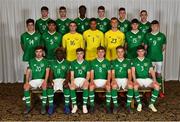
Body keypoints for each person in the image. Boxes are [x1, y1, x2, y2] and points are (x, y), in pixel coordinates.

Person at [132, 45, 160, 112]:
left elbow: (152, 71)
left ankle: (151, 104)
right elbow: (133, 71)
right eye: (139, 51)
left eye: (142, 51)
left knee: (157, 86)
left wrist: (155, 80)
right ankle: (139, 103)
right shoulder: (134, 60)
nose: (140, 53)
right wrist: (135, 80)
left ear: (144, 51)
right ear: (137, 52)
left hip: (147, 79)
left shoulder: (148, 60)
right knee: (135, 86)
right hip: (138, 79)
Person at [23, 46, 49, 115]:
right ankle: (28, 106)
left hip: (42, 79)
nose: (38, 53)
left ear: (42, 52)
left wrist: (45, 81)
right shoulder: (31, 61)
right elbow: (28, 72)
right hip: (34, 80)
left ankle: (43, 106)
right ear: (35, 52)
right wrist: (26, 82)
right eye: (37, 52)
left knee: (44, 87)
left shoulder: (46, 61)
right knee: (26, 87)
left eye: (40, 52)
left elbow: (47, 72)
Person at [144, 20, 166, 98]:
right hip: (149, 58)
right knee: (150, 74)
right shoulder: (147, 35)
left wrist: (157, 53)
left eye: (156, 26)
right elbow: (145, 48)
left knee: (158, 74)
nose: (154, 27)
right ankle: (149, 90)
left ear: (158, 26)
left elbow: (163, 47)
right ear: (151, 26)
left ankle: (159, 90)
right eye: (153, 26)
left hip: (159, 58)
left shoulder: (162, 35)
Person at [111, 46, 133, 113]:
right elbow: (113, 73)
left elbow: (129, 73)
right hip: (117, 78)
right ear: (116, 53)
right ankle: (115, 105)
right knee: (114, 86)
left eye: (121, 52)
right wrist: (114, 80)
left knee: (130, 86)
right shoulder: (113, 62)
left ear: (124, 52)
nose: (120, 53)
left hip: (125, 79)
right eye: (118, 52)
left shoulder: (127, 61)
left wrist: (129, 81)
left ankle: (128, 105)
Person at [89, 46, 111, 113]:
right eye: (99, 52)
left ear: (104, 53)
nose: (101, 53)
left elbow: (109, 73)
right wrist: (92, 81)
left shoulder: (107, 62)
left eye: (102, 52)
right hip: (96, 81)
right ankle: (92, 106)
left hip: (104, 81)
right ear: (97, 53)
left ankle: (108, 106)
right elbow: (92, 73)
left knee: (108, 87)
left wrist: (108, 82)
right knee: (91, 87)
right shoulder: (93, 62)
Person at [49, 47, 71, 114]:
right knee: (49, 87)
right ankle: (51, 106)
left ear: (63, 54)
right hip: (55, 80)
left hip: (63, 79)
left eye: (61, 53)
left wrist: (66, 81)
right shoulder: (52, 63)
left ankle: (66, 106)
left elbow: (68, 73)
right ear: (55, 55)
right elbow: (51, 73)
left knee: (66, 86)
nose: (59, 55)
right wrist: (50, 81)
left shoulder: (67, 62)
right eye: (57, 54)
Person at [69, 48, 90, 114]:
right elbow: (72, 75)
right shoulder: (73, 63)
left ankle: (84, 105)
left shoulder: (87, 63)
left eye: (81, 54)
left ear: (83, 54)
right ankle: (75, 106)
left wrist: (86, 81)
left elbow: (88, 75)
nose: (79, 55)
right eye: (77, 54)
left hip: (83, 79)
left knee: (86, 86)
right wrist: (72, 82)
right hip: (76, 79)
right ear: (76, 54)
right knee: (71, 87)